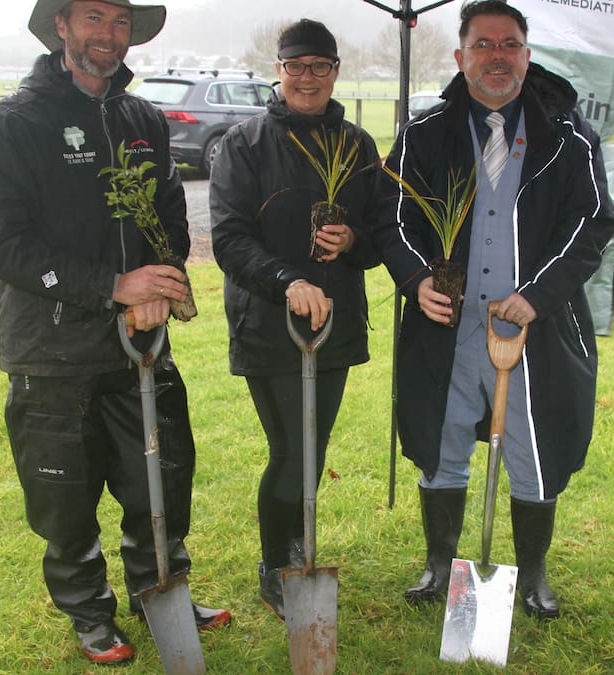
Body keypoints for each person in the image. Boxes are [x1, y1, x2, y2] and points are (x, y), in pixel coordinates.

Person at [0, 0, 230, 665]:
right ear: (61, 25)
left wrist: (162, 280)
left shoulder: (144, 119)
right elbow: (0, 245)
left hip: (140, 346)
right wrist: (113, 287)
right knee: (66, 497)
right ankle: (88, 612)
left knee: (161, 481)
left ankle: (159, 589)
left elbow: (168, 212)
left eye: (118, 21)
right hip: (51, 352)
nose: (107, 35)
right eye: (92, 17)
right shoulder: (8, 126)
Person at [376, 0, 614, 620]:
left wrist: (538, 294)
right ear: (460, 58)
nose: (497, 57)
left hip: (532, 327)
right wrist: (414, 278)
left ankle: (533, 574)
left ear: (527, 55)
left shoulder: (567, 139)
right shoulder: (423, 137)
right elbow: (389, 217)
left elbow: (593, 223)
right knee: (444, 435)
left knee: (532, 447)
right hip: (446, 326)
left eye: (509, 44)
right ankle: (439, 564)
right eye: (482, 45)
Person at [208, 19, 380, 620]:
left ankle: (300, 546)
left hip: (335, 325)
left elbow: (380, 237)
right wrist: (289, 280)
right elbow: (228, 239)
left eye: (320, 66)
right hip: (269, 323)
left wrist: (352, 237)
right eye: (296, 66)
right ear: (277, 72)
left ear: (336, 71)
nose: (308, 77)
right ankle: (276, 562)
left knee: (314, 444)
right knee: (291, 449)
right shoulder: (243, 144)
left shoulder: (357, 145)